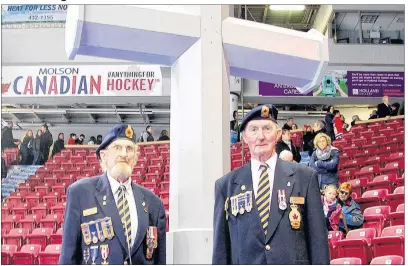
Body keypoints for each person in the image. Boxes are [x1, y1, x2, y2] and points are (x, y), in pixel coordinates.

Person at [213, 104, 329, 265]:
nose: (260, 136)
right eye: (253, 130)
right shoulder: (225, 186)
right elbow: (220, 251)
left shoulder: (305, 178)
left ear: (278, 134)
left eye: (267, 129)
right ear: (245, 137)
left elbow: (318, 243)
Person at [59, 124, 166, 265]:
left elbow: (159, 260)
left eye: (129, 149)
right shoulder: (80, 193)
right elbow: (68, 257)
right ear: (104, 156)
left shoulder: (154, 203)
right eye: (117, 148)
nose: (124, 154)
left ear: (135, 157)